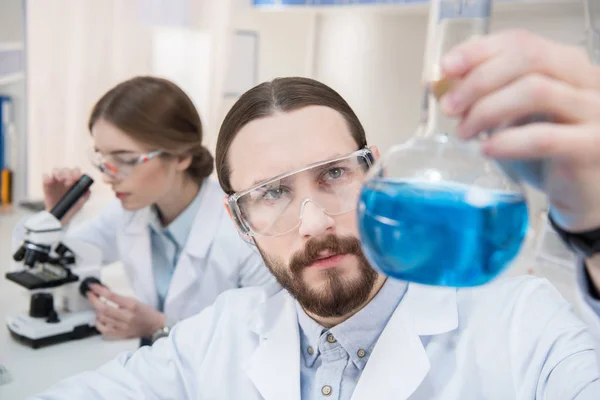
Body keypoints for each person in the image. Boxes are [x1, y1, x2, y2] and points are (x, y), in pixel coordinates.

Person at [32, 31, 600, 399]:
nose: (314, 223)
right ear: (239, 220)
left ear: (376, 173)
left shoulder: (518, 324)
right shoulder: (218, 336)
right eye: (272, 193)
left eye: (333, 175)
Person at [13, 76, 278, 346]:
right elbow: (44, 263)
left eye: (126, 160)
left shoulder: (249, 233)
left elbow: (263, 340)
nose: (108, 176)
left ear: (181, 156)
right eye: (103, 160)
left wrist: (160, 328)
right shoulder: (128, 214)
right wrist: (56, 216)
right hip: (156, 371)